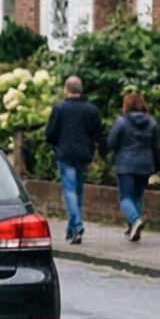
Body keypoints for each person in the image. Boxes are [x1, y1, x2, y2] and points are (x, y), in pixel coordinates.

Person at [41, 76, 103, 244]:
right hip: (83, 154)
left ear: (66, 90)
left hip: (65, 153)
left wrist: (56, 145)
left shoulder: (60, 108)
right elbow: (98, 133)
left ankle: (77, 224)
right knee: (78, 192)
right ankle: (71, 232)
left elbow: (50, 134)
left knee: (69, 191)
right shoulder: (90, 110)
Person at [105, 90, 160, 244]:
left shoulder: (121, 122)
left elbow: (111, 142)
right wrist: (159, 166)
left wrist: (105, 151)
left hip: (126, 165)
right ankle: (133, 228)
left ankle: (135, 220)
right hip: (145, 166)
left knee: (125, 198)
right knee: (137, 197)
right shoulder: (151, 123)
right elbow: (157, 147)